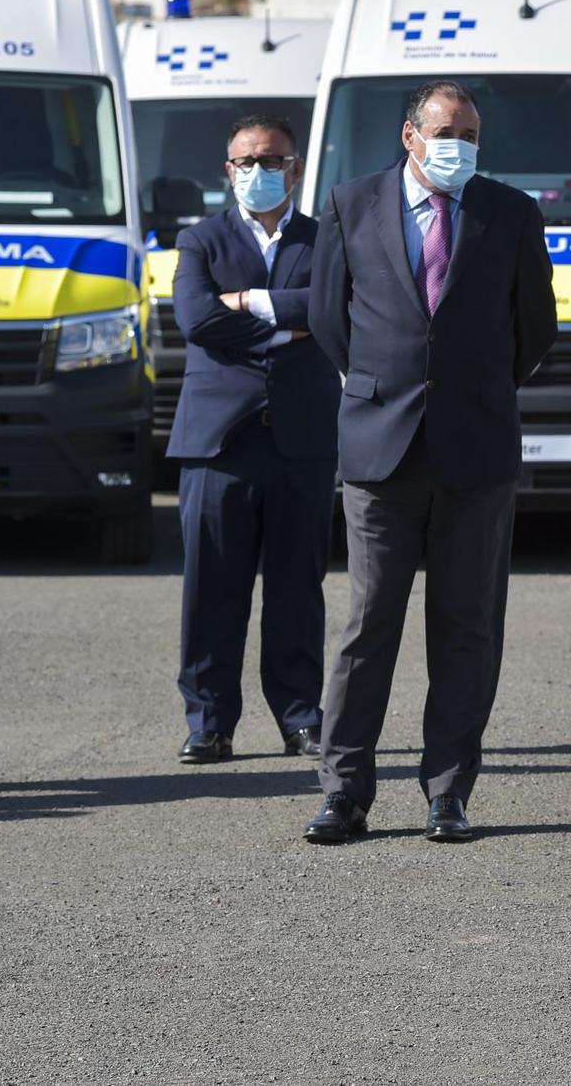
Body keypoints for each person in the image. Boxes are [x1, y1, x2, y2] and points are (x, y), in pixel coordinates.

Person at [302, 80, 557, 845]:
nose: (462, 148)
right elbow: (326, 317)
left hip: (475, 451)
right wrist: (389, 387)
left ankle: (448, 789)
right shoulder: (351, 204)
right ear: (410, 135)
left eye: (472, 135)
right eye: (448, 131)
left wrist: (469, 390)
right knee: (367, 624)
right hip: (381, 451)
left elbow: (534, 330)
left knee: (466, 626)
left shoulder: (510, 213)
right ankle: (344, 791)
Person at [167, 114, 336, 764]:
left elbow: (331, 310)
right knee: (212, 587)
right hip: (218, 442)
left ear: (295, 168)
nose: (260, 172)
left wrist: (247, 304)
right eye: (247, 162)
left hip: (302, 439)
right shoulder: (200, 240)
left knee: (298, 586)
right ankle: (209, 721)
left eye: (273, 161)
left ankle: (300, 716)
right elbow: (196, 318)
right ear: (227, 169)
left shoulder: (327, 240)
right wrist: (285, 319)